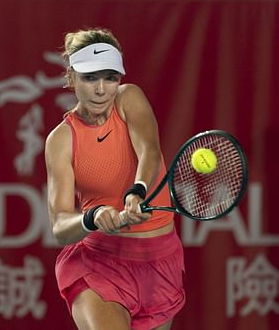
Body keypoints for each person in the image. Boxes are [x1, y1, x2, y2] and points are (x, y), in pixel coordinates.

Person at [45, 28, 185, 330]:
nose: (101, 89)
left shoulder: (128, 97)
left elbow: (149, 149)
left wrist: (138, 191)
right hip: (101, 265)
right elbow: (59, 227)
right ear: (71, 78)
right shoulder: (61, 140)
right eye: (90, 77)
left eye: (110, 77)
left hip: (161, 262)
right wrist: (92, 217)